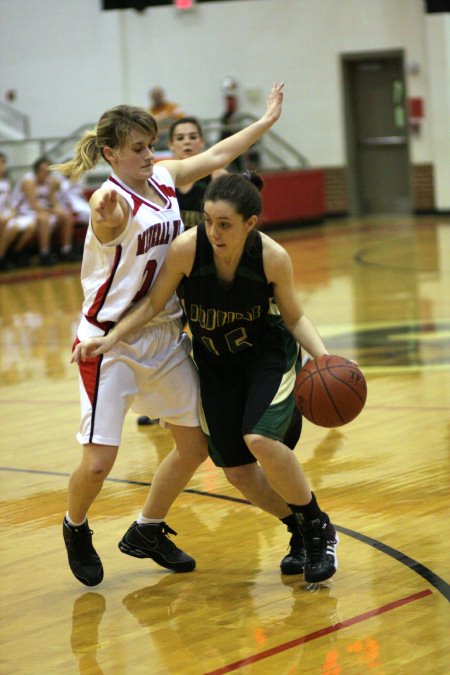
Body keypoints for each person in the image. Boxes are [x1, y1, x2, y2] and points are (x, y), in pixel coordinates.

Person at [56, 83, 309, 588]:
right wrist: (103, 214)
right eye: (138, 149)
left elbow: (218, 154)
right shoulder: (113, 202)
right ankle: (75, 527)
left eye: (152, 145)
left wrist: (265, 122)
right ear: (111, 154)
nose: (150, 155)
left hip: (167, 333)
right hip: (110, 343)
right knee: (100, 462)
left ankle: (147, 529)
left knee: (195, 448)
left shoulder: (166, 179)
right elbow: (110, 219)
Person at [136, 115, 227, 427]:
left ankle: (212, 395)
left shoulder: (215, 179)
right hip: (172, 275)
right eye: (181, 137)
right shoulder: (161, 180)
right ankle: (157, 401)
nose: (187, 142)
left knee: (207, 337)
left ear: (202, 142)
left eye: (193, 136)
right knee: (163, 337)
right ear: (171, 145)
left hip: (206, 273)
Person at [11, 156, 76, 266]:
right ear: (37, 171)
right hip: (24, 211)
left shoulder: (49, 181)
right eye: (44, 171)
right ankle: (44, 254)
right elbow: (34, 205)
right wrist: (51, 210)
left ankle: (66, 250)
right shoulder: (29, 181)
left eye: (48, 171)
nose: (47, 173)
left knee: (66, 215)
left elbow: (54, 202)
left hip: (40, 210)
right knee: (44, 218)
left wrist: (58, 209)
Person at [0, 153, 37, 270]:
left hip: (5, 214)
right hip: (2, 217)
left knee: (31, 226)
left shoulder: (6, 182)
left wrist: (12, 212)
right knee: (11, 225)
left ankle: (14, 253)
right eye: (1, 162)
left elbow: (9, 203)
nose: (3, 165)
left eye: (4, 162)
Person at [148, 86, 183, 151]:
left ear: (162, 95)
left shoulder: (172, 107)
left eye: (158, 95)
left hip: (171, 135)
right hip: (158, 139)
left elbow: (181, 120)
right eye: (154, 96)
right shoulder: (150, 111)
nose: (156, 97)